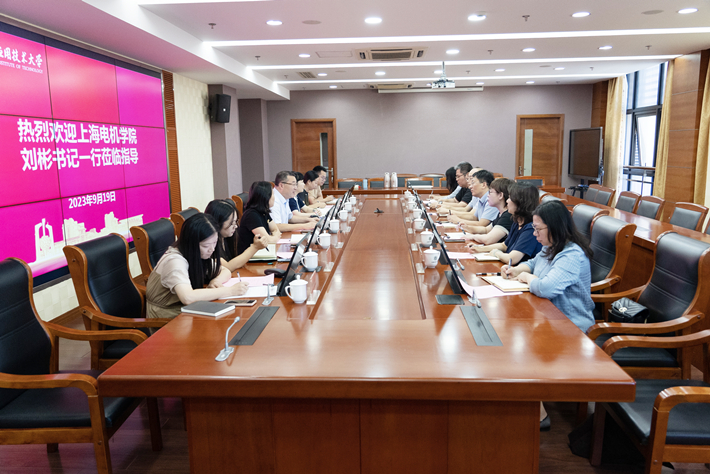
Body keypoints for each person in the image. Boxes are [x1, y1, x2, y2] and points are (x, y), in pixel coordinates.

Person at [502, 199, 595, 333]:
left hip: (569, 326)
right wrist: (515, 270)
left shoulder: (572, 255)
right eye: (534, 228)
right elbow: (533, 263)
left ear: (554, 227)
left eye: (538, 229)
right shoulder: (551, 245)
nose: (534, 233)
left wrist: (527, 277)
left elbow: (545, 288)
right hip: (546, 315)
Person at [146, 213, 249, 320]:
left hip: (187, 311)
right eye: (206, 245)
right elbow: (187, 297)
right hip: (166, 317)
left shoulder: (197, 254)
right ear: (191, 244)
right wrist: (230, 291)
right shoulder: (174, 261)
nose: (212, 249)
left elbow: (225, 270)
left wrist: (215, 281)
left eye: (214, 243)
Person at [466, 182, 541, 265]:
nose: (507, 201)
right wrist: (479, 249)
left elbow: (511, 259)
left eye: (510, 198)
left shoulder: (531, 228)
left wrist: (496, 253)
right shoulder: (517, 221)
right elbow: (504, 245)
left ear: (520, 202)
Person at [204, 199, 267, 272]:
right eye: (231, 223)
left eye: (236, 222)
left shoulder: (228, 237)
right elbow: (227, 267)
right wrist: (254, 247)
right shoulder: (210, 244)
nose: (236, 226)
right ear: (217, 223)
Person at [462, 178, 513, 245]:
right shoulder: (501, 213)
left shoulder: (508, 216)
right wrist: (467, 227)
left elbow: (488, 239)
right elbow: (486, 230)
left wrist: (473, 236)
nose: (488, 195)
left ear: (500, 195)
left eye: (490, 192)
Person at [237, 181, 282, 255]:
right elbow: (268, 240)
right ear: (265, 197)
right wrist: (276, 237)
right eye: (272, 194)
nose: (274, 197)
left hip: (261, 252)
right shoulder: (251, 215)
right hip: (250, 257)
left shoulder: (263, 211)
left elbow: (275, 229)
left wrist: (273, 237)